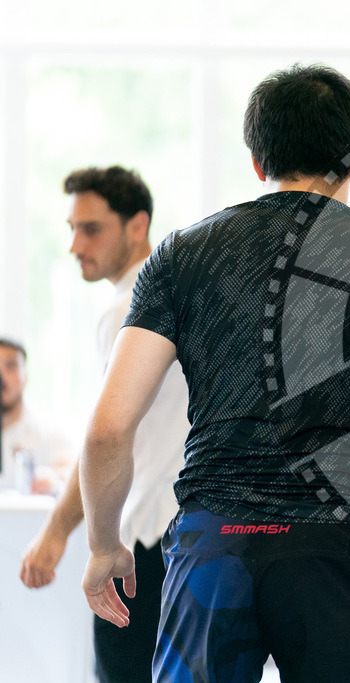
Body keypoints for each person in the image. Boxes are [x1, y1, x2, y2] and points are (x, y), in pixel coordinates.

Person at [77, 64, 350, 682]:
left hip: (215, 541)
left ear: (257, 160)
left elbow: (106, 431)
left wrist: (104, 547)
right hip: (335, 547)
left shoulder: (183, 255)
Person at [19, 166, 190, 683]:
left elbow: (105, 438)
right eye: (71, 227)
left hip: (145, 541)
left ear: (137, 225)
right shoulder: (186, 295)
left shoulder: (129, 309)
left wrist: (56, 534)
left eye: (91, 229)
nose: (74, 244)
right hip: (191, 535)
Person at [0, 337, 74, 494]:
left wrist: (54, 478)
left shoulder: (49, 430)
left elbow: (72, 473)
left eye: (10, 366)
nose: (1, 376)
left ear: (25, 376)